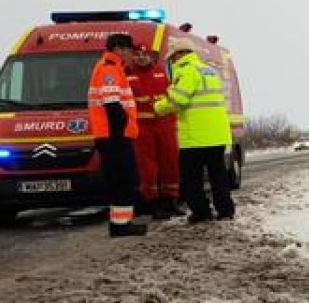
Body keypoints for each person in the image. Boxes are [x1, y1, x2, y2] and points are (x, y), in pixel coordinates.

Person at [153, 38, 234, 223]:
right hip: (217, 134)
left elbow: (179, 99)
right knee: (218, 176)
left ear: (179, 55)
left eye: (172, 58)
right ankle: (226, 211)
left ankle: (201, 212)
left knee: (192, 179)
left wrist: (158, 107)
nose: (172, 62)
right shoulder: (209, 71)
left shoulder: (186, 71)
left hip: (195, 136)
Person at [88, 33, 147, 237]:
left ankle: (121, 222)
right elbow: (112, 104)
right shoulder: (109, 69)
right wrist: (124, 128)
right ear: (119, 49)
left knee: (123, 178)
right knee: (124, 178)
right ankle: (120, 225)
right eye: (131, 50)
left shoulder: (112, 67)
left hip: (114, 135)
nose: (133, 54)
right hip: (114, 135)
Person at [127, 44, 183, 220]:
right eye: (138, 54)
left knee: (171, 163)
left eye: (145, 54)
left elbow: (171, 96)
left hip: (164, 124)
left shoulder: (160, 72)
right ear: (133, 56)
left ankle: (171, 201)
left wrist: (173, 123)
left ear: (151, 56)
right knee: (148, 167)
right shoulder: (127, 74)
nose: (142, 57)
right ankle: (153, 203)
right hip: (143, 127)